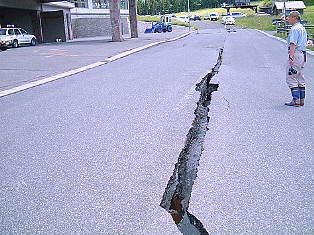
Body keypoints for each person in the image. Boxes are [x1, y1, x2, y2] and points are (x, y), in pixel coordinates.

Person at [285, 11, 307, 106]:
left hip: (296, 54)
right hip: (303, 54)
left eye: (289, 18)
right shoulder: (302, 28)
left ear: (294, 18)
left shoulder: (294, 29)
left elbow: (293, 43)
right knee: (299, 76)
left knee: (291, 76)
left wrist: (291, 56)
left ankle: (296, 99)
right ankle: (301, 99)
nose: (288, 19)